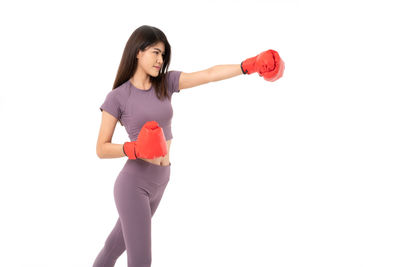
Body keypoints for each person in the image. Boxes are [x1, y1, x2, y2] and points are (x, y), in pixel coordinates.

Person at [92, 25, 285, 267]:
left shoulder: (166, 83)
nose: (160, 59)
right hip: (134, 184)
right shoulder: (118, 97)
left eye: (163, 54)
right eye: (155, 52)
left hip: (161, 179)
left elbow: (208, 74)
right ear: (138, 52)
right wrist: (134, 149)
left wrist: (247, 66)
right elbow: (101, 148)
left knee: (113, 248)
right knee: (141, 260)